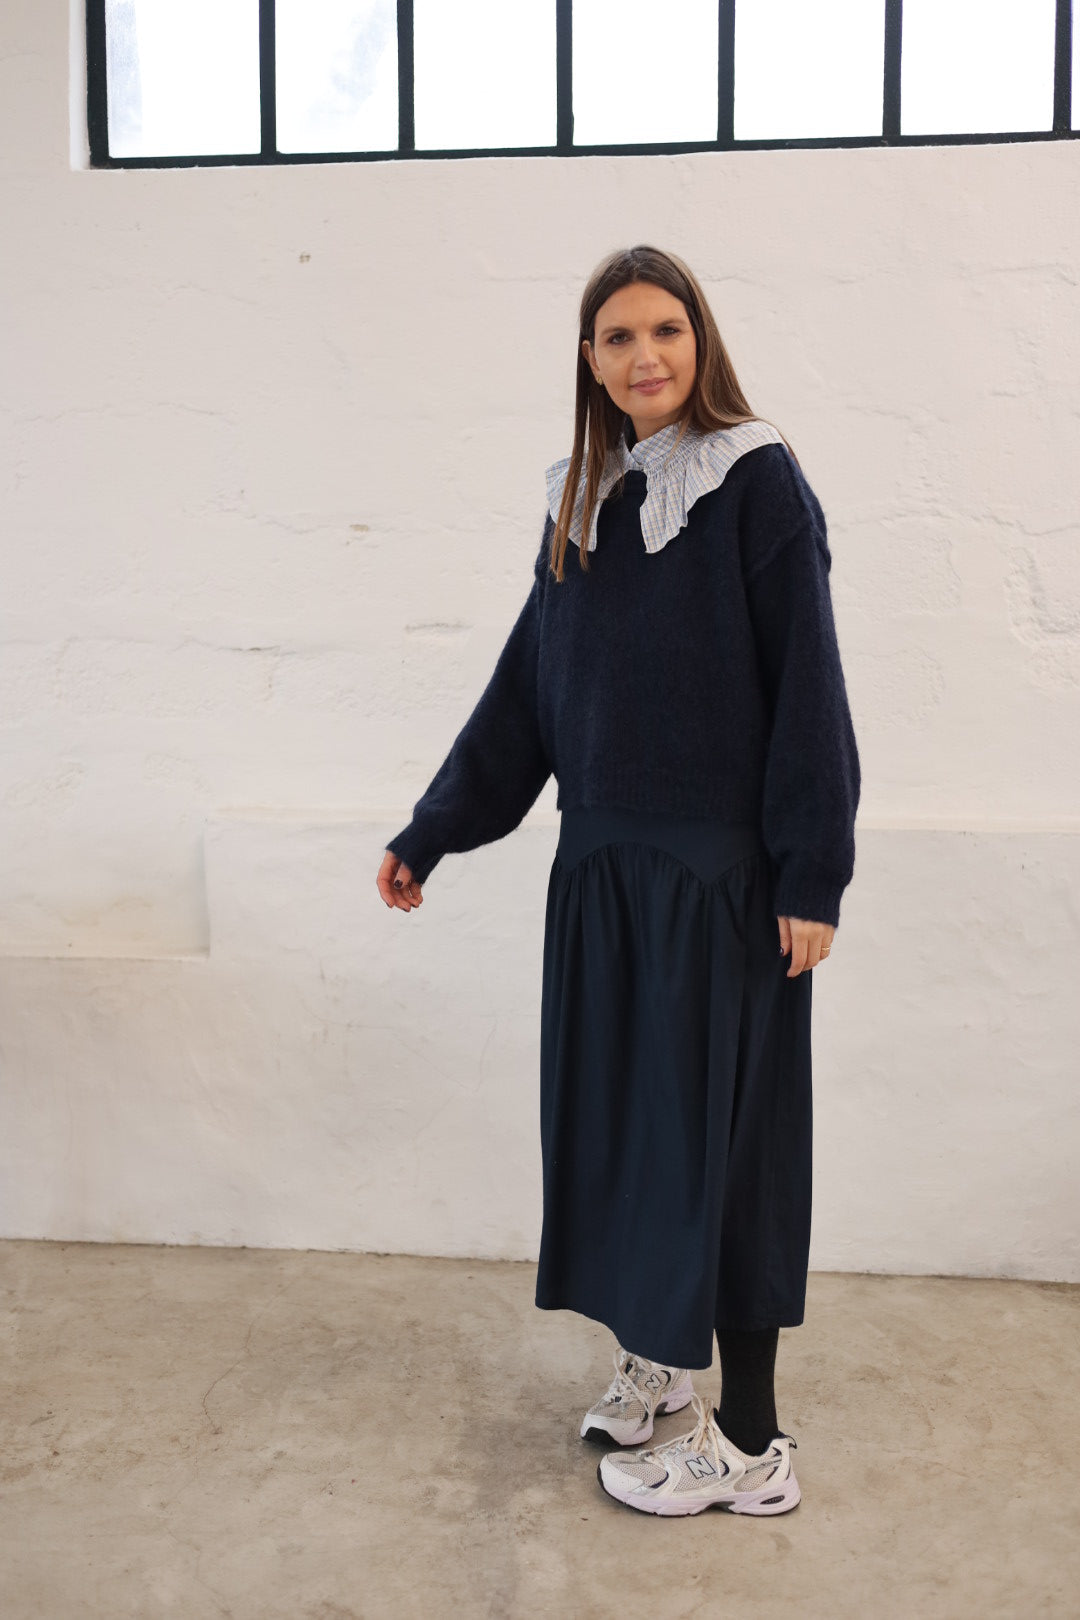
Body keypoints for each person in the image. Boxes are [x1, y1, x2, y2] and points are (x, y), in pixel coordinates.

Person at [377, 244, 861, 1519]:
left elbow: (811, 687)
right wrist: (433, 829)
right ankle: (658, 1368)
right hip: (599, 875)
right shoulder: (581, 503)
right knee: (624, 1138)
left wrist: (813, 874)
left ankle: (750, 1446)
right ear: (588, 361)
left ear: (701, 341)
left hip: (720, 883)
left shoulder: (756, 480)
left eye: (666, 330)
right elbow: (529, 693)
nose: (645, 356)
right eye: (617, 337)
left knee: (731, 1151)